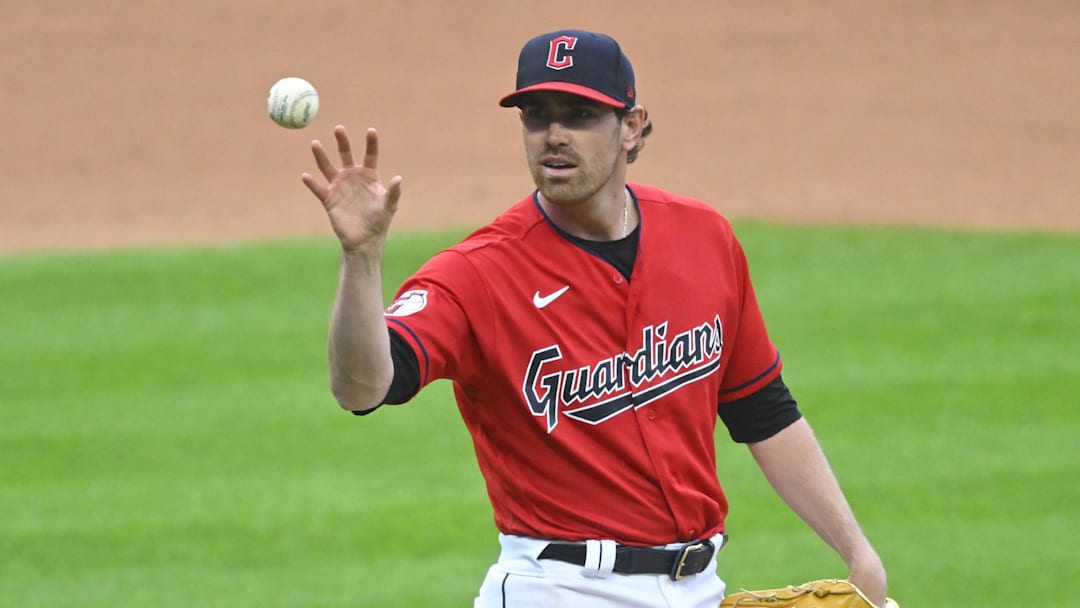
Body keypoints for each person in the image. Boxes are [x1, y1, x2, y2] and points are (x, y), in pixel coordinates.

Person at [300, 29, 889, 608]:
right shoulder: (477, 274)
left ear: (631, 127)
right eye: (536, 115)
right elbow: (362, 388)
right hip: (559, 589)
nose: (554, 135)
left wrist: (857, 551)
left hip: (699, 588)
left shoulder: (704, 237)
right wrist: (362, 259)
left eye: (579, 114)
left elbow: (763, 408)